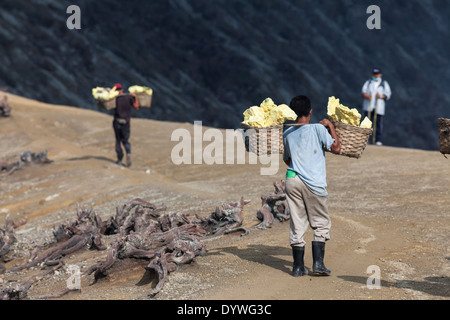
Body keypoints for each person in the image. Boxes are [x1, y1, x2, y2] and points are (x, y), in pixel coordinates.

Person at [283, 95, 340, 277]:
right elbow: (336, 148)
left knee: (297, 223)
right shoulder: (317, 128)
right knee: (321, 223)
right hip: (313, 182)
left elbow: (288, 159)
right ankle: (318, 264)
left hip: (292, 179)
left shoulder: (287, 133)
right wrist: (330, 127)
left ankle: (298, 267)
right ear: (310, 111)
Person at [361, 68, 392, 145]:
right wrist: (368, 96)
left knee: (378, 124)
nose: (375, 75)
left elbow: (388, 94)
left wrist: (381, 96)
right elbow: (363, 92)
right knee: (367, 123)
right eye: (374, 74)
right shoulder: (368, 82)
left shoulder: (384, 83)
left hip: (379, 107)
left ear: (380, 74)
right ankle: (365, 138)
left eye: (377, 74)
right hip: (368, 106)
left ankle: (377, 140)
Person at [112, 83, 139, 167]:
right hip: (126, 122)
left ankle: (119, 159)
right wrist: (136, 97)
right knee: (125, 140)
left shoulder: (114, 98)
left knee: (118, 140)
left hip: (116, 121)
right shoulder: (129, 97)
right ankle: (128, 154)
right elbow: (136, 107)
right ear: (122, 89)